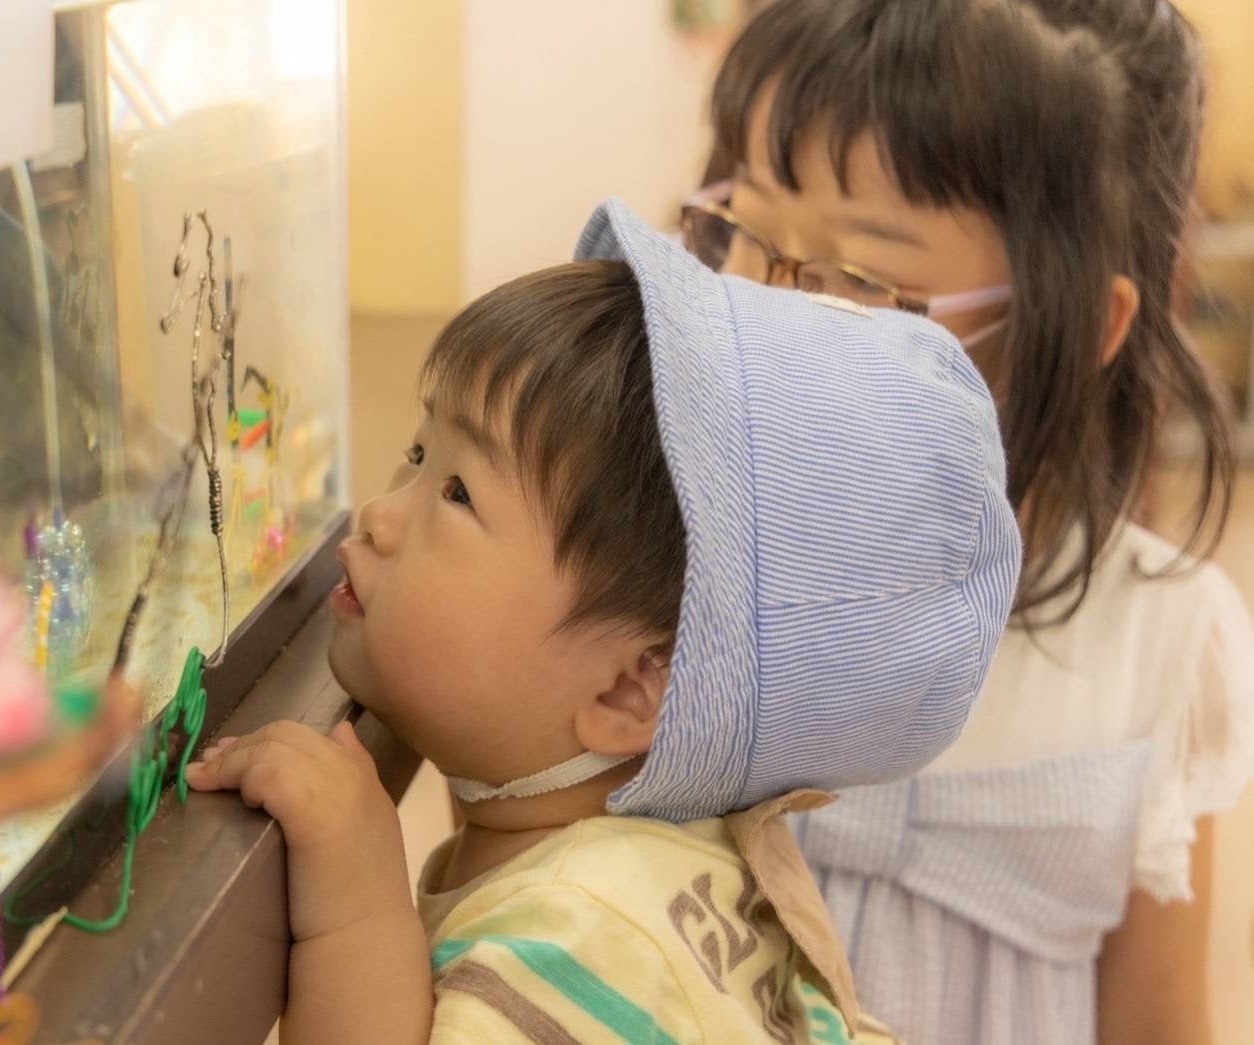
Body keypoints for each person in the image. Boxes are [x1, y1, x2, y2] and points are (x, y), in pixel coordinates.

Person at [184, 198, 1021, 1043]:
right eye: (417, 452)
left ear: (627, 690)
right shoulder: (686, 861)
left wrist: (356, 900)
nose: (378, 514)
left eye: (458, 493)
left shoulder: (585, 945)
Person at [685, 2, 1254, 1042]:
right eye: (751, 234)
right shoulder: (676, 562)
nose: (772, 310)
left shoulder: (1160, 636)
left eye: (866, 278)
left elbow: (1157, 1019)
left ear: (1076, 322)